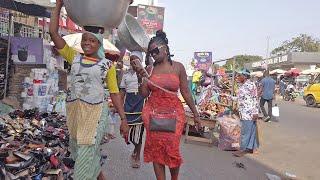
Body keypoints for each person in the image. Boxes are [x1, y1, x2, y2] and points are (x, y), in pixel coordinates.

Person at [49, 1, 129, 179]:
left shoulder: (107, 66)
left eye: (92, 41)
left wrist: (123, 119)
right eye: (85, 40)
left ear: (99, 43)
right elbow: (53, 33)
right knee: (81, 153)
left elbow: (115, 93)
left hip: (95, 116)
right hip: (75, 114)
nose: (87, 44)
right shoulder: (73, 57)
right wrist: (58, 5)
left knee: (84, 159)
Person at [132, 30, 201, 180]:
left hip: (174, 115)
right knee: (156, 151)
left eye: (155, 50)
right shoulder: (149, 69)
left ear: (166, 48)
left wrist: (196, 114)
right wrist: (141, 78)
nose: (153, 55)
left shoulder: (178, 67)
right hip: (153, 115)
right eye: (150, 53)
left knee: (172, 150)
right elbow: (144, 94)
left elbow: (186, 92)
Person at [119, 51, 145, 168]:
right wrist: (117, 106)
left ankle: (137, 156)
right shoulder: (126, 75)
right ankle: (135, 148)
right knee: (128, 133)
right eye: (131, 60)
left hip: (141, 104)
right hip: (128, 105)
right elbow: (122, 92)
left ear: (140, 61)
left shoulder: (146, 74)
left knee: (138, 134)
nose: (133, 62)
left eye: (136, 60)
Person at [232, 68, 259, 157]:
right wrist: (229, 97)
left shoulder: (251, 85)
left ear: (245, 76)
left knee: (245, 132)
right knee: (251, 131)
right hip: (243, 112)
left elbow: (255, 99)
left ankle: (242, 150)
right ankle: (251, 148)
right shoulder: (242, 86)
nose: (238, 77)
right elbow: (241, 98)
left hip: (249, 113)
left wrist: (255, 112)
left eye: (239, 75)